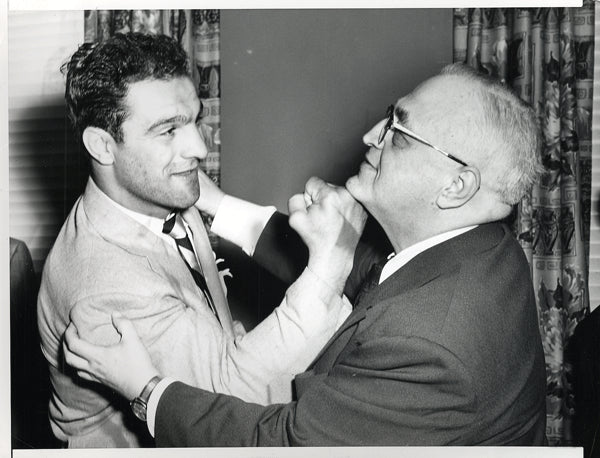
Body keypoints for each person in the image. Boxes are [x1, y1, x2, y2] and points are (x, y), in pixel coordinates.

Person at [63, 63, 548, 446]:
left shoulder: (431, 344)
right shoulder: (482, 250)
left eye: (398, 131)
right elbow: (366, 273)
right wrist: (215, 203)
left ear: (456, 185)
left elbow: (284, 442)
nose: (371, 135)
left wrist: (147, 391)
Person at [37, 32, 361, 448]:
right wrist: (332, 262)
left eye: (195, 119)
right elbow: (236, 405)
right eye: (168, 130)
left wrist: (216, 342)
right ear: (102, 146)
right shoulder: (107, 288)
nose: (198, 147)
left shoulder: (152, 188)